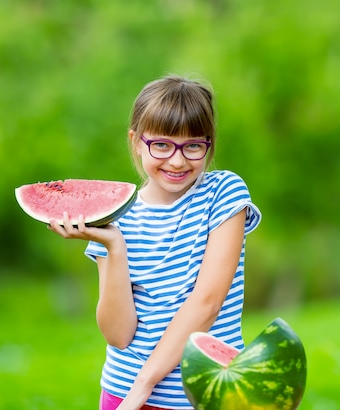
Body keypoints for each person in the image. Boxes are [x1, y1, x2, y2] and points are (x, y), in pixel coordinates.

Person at [47, 75, 261, 409]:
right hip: (122, 390)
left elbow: (207, 302)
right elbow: (118, 335)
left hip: (203, 394)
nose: (177, 160)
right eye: (161, 145)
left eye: (193, 145)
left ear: (210, 143)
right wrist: (115, 248)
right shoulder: (115, 218)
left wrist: (144, 385)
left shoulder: (224, 193)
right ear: (135, 140)